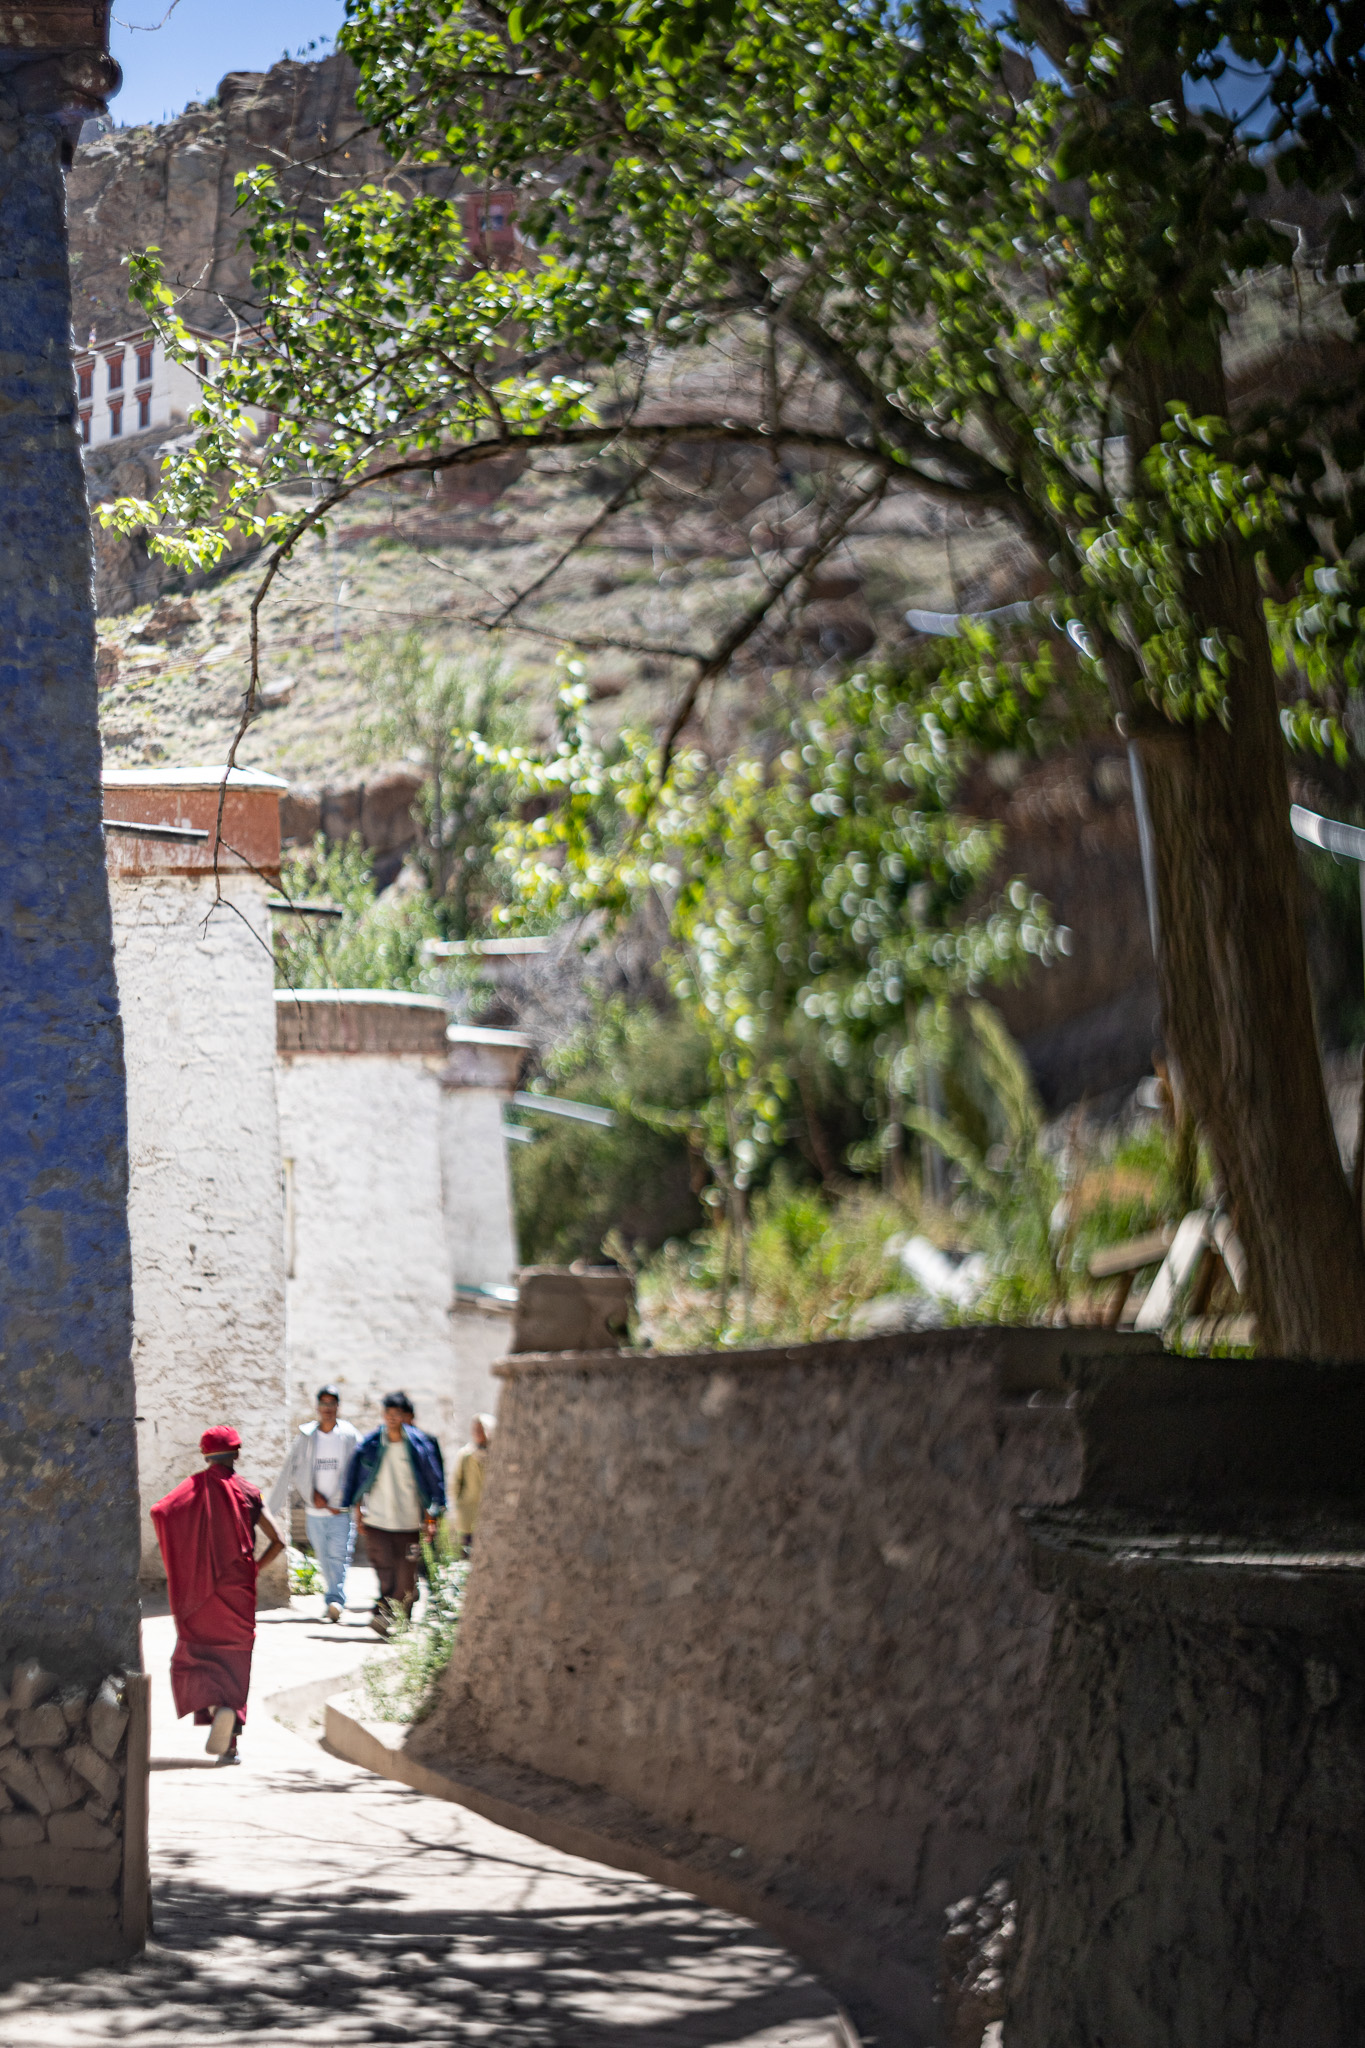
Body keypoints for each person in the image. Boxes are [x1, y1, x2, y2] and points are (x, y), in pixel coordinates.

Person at [150, 1426, 284, 1764]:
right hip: (239, 1590)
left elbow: (160, 1512)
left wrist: (186, 1559)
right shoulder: (250, 1493)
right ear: (236, 1454)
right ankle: (231, 1744)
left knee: (193, 1656)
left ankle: (214, 1704)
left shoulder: (193, 1487)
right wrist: (255, 1567)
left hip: (201, 1594)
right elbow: (279, 1539)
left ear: (204, 1454)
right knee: (235, 1661)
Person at [343, 1393, 446, 1636]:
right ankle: (388, 1613)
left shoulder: (420, 1446)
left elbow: (433, 1482)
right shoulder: (371, 1445)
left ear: (404, 1417)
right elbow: (356, 1480)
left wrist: (431, 1518)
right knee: (383, 1570)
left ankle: (398, 1616)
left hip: (409, 1523)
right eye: (388, 1414)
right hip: (377, 1521)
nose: (392, 1419)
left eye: (396, 1414)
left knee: (406, 1574)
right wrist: (357, 1512)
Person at [268, 1383, 360, 1621]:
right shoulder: (307, 1436)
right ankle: (333, 1597)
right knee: (323, 1556)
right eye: (323, 1403)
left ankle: (335, 1601)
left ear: (337, 1406)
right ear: (317, 1406)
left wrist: (359, 1503)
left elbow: (359, 1470)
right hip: (315, 1512)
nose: (327, 1408)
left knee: (339, 1556)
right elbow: (291, 1469)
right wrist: (306, 1495)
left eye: (332, 1404)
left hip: (340, 1510)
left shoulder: (349, 1435)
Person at [451, 1414, 496, 1558]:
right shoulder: (466, 1455)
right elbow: (456, 1482)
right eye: (475, 1429)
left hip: (491, 1515)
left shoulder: (498, 1455)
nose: (477, 1433)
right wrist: (460, 1503)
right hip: (469, 1514)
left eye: (480, 1429)